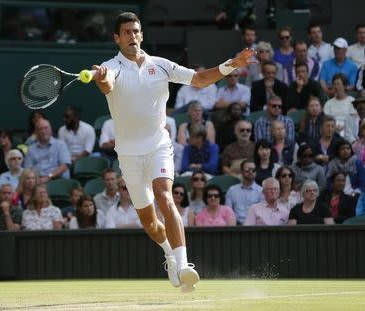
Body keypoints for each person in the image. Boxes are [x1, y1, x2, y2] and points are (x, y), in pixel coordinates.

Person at [90, 12, 255, 292]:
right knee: (151, 224)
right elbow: (107, 86)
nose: (132, 36)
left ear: (142, 35)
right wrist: (101, 79)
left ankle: (183, 265)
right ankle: (168, 252)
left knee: (165, 196)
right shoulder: (111, 67)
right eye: (126, 32)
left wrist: (231, 66)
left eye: (136, 31)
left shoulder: (161, 66)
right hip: (129, 156)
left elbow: (200, 80)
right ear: (117, 38)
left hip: (158, 146)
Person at [24, 118, 71, 183]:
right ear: (36, 132)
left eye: (46, 128)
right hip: (38, 181)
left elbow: (64, 166)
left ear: (51, 130)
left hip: (58, 180)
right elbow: (28, 169)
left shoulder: (61, 145)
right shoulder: (31, 149)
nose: (43, 131)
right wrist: (37, 179)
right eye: (40, 129)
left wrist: (49, 176)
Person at [225, 160, 263, 224]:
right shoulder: (232, 190)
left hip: (254, 226)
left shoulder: (261, 191)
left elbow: (262, 213)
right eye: (247, 169)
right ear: (241, 171)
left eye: (253, 170)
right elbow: (228, 212)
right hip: (235, 226)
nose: (250, 172)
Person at [323, 73, 357, 138]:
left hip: (348, 131)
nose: (336, 87)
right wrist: (334, 127)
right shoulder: (328, 103)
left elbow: (353, 120)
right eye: (334, 84)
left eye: (338, 84)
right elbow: (326, 119)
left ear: (344, 86)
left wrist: (343, 127)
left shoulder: (352, 101)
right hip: (332, 130)